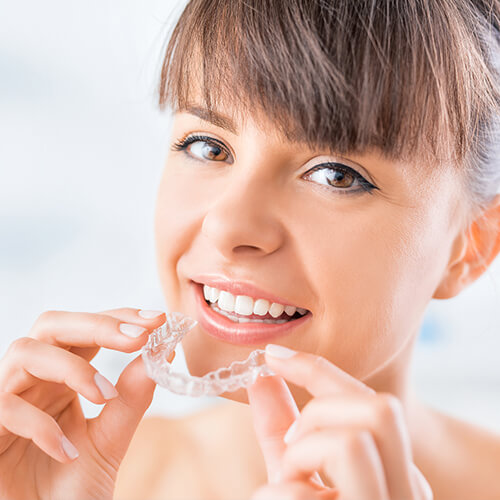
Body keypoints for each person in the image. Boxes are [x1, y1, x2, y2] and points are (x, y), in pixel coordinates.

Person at [1, 0, 500, 498]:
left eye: (336, 175)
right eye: (208, 146)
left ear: (469, 247)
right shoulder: (69, 472)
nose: (227, 226)